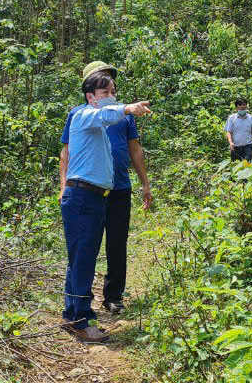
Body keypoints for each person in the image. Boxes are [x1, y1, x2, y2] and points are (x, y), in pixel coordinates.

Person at [59, 67, 151, 343]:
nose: (111, 97)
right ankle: (82, 321)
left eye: (114, 92)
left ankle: (71, 314)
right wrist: (128, 108)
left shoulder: (99, 126)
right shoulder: (85, 115)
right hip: (83, 197)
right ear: (91, 97)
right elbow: (106, 113)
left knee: (80, 259)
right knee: (84, 260)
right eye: (105, 93)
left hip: (94, 197)